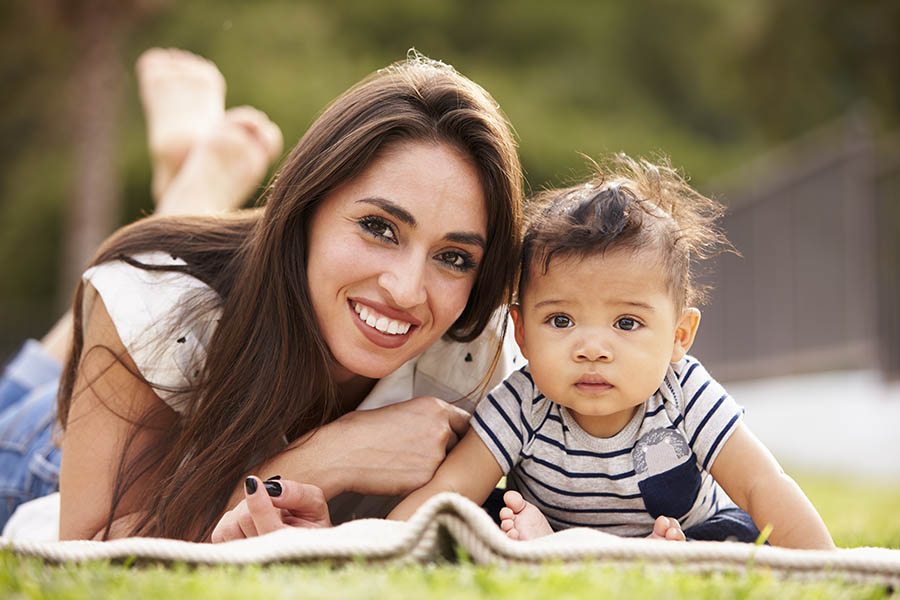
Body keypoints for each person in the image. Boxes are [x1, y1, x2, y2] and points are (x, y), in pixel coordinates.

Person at [2, 49, 525, 544]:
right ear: (308, 205)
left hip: (171, 356)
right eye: (378, 227)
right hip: (40, 461)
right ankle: (197, 187)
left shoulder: (482, 355)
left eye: (454, 257)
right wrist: (324, 457)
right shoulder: (157, 301)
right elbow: (88, 558)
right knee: (119, 317)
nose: (407, 290)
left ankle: (193, 199)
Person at [387, 155, 836, 550]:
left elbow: (762, 484)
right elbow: (451, 487)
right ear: (521, 333)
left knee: (743, 531)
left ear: (680, 336)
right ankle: (555, 544)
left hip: (688, 533)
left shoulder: (684, 394)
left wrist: (827, 566)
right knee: (475, 512)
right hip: (547, 525)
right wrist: (372, 546)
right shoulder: (521, 402)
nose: (592, 349)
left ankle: (647, 556)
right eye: (561, 321)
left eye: (626, 323)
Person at [1, 47, 283, 534]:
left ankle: (183, 210)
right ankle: (185, 207)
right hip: (67, 450)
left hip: (57, 424)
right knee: (30, 394)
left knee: (30, 387)